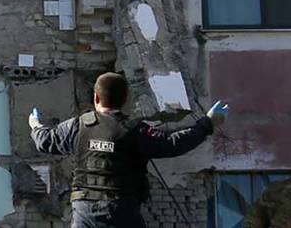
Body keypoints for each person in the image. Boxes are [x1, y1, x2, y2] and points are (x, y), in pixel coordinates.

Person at [30, 71, 228, 227]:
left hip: (85, 213)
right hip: (122, 211)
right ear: (125, 100)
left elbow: (45, 141)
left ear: (96, 98)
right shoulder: (136, 131)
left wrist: (36, 125)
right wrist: (207, 124)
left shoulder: (78, 126)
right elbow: (173, 143)